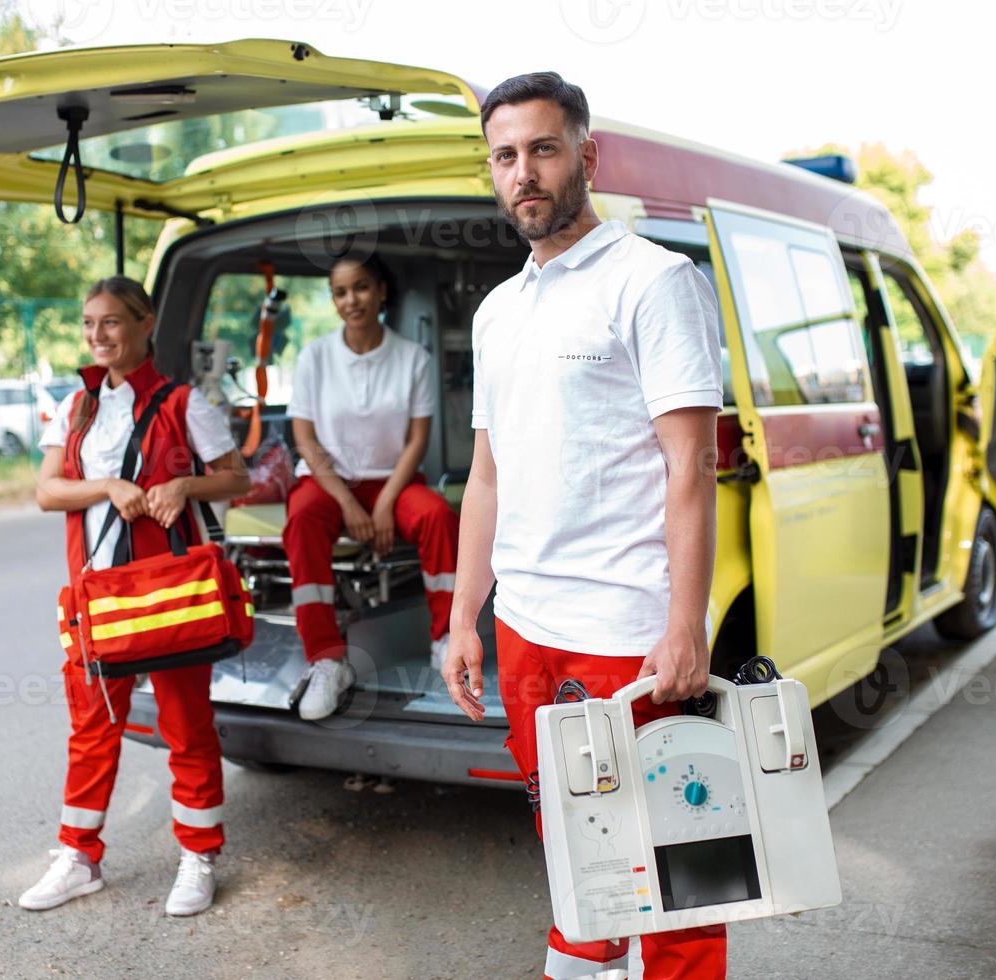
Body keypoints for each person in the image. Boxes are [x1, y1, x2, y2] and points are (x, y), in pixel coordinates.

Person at [441, 73, 729, 979]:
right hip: (528, 627)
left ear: (585, 156)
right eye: (504, 155)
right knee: (576, 839)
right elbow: (488, 475)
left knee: (675, 869)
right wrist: (464, 617)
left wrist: (684, 625)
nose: (523, 172)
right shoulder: (497, 312)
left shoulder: (654, 281)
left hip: (624, 635)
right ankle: (582, 960)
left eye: (542, 148)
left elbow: (693, 464)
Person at [20, 276, 251, 916]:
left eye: (112, 322)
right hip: (96, 598)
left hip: (170, 596)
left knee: (187, 727)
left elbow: (238, 476)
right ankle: (78, 856)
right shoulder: (75, 407)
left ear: (145, 324)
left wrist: (184, 484)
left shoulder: (183, 403)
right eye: (90, 323)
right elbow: (46, 490)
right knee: (92, 730)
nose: (98, 336)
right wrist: (106, 486)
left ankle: (199, 857)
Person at [284, 252, 460, 721]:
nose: (351, 299)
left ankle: (447, 644)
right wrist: (346, 501)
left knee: (439, 517)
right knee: (301, 518)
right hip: (329, 482)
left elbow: (417, 439)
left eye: (361, 287)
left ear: (381, 291)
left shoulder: (412, 358)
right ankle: (326, 658)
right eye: (340, 292)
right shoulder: (315, 356)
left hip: (394, 481)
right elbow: (304, 437)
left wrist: (382, 503)